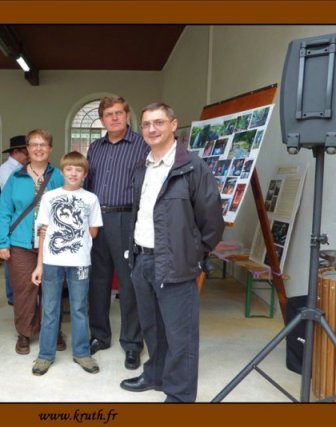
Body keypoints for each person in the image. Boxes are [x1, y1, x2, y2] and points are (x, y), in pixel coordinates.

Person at [120, 102, 224, 403]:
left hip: (176, 263)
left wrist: (192, 253)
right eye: (146, 124)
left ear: (173, 125)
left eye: (159, 122)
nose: (152, 129)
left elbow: (212, 221)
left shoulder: (192, 167)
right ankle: (155, 374)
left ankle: (179, 396)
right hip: (141, 259)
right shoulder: (142, 167)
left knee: (181, 335)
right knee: (152, 327)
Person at [84, 95, 149, 370]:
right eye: (108, 114)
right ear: (102, 119)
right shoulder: (95, 148)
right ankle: (99, 336)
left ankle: (132, 343)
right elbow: (87, 183)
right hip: (96, 219)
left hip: (126, 218)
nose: (114, 118)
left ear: (127, 115)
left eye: (119, 113)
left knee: (128, 282)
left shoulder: (142, 145)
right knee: (97, 281)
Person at [30, 151, 103, 376]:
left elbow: (94, 231)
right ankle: (45, 355)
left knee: (79, 308)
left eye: (78, 170)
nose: (73, 173)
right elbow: (42, 233)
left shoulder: (91, 199)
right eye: (69, 169)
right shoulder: (50, 197)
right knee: (50, 308)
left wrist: (75, 238)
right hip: (52, 261)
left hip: (80, 262)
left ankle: (82, 353)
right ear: (62, 172)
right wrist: (39, 265)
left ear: (85, 174)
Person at [0, 129, 64, 355]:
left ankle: (53, 330)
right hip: (20, 243)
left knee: (51, 289)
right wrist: (1, 242)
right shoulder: (16, 178)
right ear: (27, 149)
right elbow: (3, 211)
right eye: (34, 144)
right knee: (24, 290)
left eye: (43, 144)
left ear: (50, 149)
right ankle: (24, 331)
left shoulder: (59, 176)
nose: (38, 148)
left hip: (53, 244)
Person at [0, 135, 29, 305]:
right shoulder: (6, 170)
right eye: (26, 152)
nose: (28, 156)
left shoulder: (20, 168)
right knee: (10, 258)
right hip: (12, 218)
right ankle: (12, 295)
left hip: (20, 218)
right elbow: (11, 197)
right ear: (16, 152)